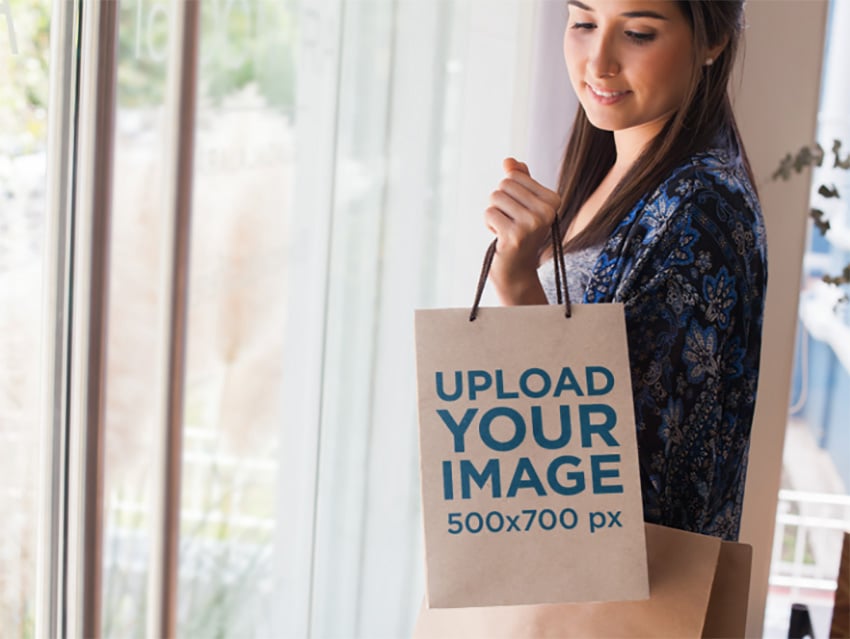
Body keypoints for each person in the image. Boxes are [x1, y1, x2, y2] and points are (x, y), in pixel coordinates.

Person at [483, 0, 767, 541]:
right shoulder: (615, 168)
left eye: (637, 33)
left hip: (613, 596)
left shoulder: (697, 211)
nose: (597, 63)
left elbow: (607, 467)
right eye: (584, 23)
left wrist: (517, 281)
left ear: (713, 42)